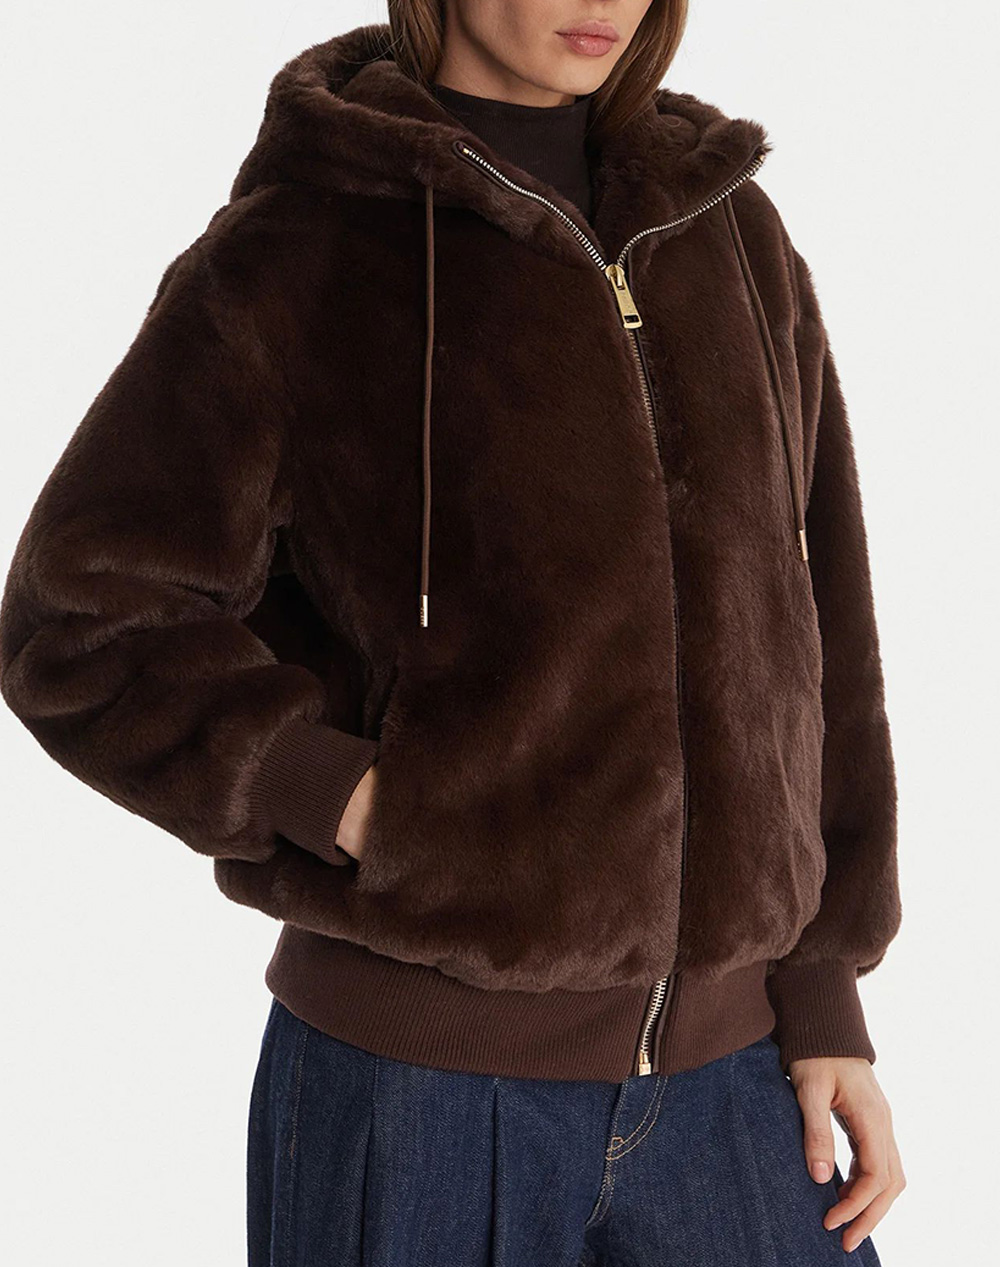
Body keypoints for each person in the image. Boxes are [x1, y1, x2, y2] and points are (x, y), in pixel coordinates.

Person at [0, 2, 906, 1263]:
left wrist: (821, 997)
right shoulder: (297, 252)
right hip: (417, 1086)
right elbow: (80, 620)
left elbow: (819, 628)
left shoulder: (728, 230)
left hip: (735, 1087)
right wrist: (351, 801)